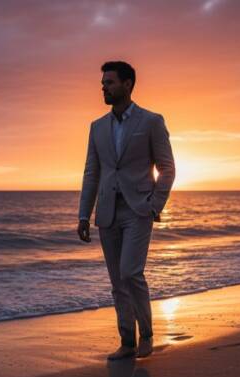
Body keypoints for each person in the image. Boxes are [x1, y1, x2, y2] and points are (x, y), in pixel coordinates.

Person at [77, 61, 176, 360]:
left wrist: (154, 205)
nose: (103, 87)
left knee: (130, 272)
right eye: (103, 82)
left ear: (128, 84)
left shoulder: (151, 121)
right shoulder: (97, 127)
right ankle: (127, 342)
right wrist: (84, 214)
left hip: (138, 210)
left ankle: (146, 335)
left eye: (109, 82)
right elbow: (91, 172)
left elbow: (167, 168)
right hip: (107, 212)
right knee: (117, 282)